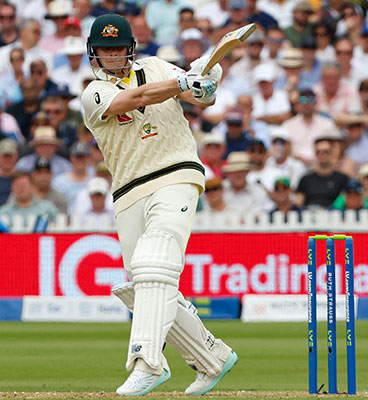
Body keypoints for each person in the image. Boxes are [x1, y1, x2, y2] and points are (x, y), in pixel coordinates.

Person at [79, 14, 236, 396]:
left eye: (118, 48)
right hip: (128, 190)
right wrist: (182, 81)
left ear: (130, 48)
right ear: (94, 53)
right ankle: (213, 356)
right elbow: (136, 98)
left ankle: (148, 361)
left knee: (155, 262)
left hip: (176, 172)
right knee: (145, 283)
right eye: (105, 49)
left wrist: (204, 85)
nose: (113, 55)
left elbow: (200, 96)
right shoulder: (92, 93)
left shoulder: (156, 66)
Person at [295, 137, 349, 209]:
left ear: (332, 153)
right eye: (319, 152)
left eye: (326, 152)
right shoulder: (305, 179)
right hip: (309, 216)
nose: (322, 155)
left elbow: (347, 201)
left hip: (335, 215)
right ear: (315, 154)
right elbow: (298, 203)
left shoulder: (342, 179)